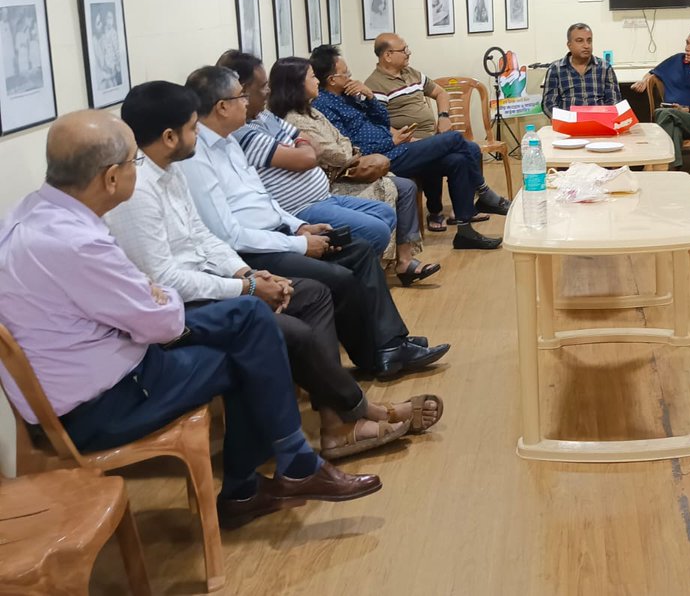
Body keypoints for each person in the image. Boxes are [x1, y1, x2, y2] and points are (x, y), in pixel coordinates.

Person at [0, 110, 380, 529]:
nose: (137, 170)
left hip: (88, 375)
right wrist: (154, 297)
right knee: (251, 347)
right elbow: (160, 324)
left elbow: (152, 293)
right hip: (104, 404)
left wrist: (163, 294)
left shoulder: (28, 216)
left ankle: (282, 471)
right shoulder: (79, 242)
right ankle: (266, 477)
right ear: (111, 178)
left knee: (251, 324)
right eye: (132, 162)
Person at [106, 82, 443, 459]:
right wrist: (247, 286)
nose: (195, 134)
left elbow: (202, 236)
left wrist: (242, 275)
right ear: (170, 136)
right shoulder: (137, 191)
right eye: (189, 128)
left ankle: (338, 421)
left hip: (220, 275)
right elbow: (168, 279)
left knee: (315, 293)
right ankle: (359, 411)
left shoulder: (171, 171)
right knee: (298, 324)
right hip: (180, 308)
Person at [178, 65, 450, 378]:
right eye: (240, 97)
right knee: (341, 277)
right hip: (254, 251)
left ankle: (390, 345)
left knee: (359, 251)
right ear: (221, 107)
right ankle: (376, 355)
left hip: (281, 232)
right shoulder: (197, 158)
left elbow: (262, 199)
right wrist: (299, 243)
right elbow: (229, 235)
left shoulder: (229, 142)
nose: (247, 102)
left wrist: (297, 226)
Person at [311, 45, 509, 250]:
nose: (351, 77)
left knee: (458, 160)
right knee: (455, 140)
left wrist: (369, 97)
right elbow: (352, 146)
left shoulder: (349, 94)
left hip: (396, 146)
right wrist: (392, 141)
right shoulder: (324, 107)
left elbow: (381, 119)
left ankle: (465, 232)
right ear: (332, 79)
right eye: (347, 74)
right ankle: (485, 194)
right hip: (385, 157)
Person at [271, 56, 438, 287]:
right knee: (440, 151)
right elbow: (336, 154)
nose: (316, 82)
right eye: (312, 78)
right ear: (297, 84)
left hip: (355, 165)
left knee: (409, 184)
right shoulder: (295, 119)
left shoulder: (314, 110)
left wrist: (368, 98)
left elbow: (344, 140)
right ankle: (371, 272)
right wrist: (350, 151)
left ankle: (403, 261)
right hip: (337, 180)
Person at [216, 50, 398, 257]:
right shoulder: (243, 131)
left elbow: (317, 147)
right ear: (244, 91)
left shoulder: (265, 116)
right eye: (263, 86)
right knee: (377, 230)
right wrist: (301, 145)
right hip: (300, 208)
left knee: (385, 213)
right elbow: (309, 157)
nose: (268, 91)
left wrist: (299, 144)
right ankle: (353, 267)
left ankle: (357, 264)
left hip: (323, 196)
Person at [630, 29, 690, 170]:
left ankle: (651, 167)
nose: (687, 48)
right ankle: (671, 169)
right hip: (671, 120)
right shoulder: (677, 60)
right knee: (672, 125)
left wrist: (685, 110)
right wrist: (644, 81)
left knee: (663, 113)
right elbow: (652, 73)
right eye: (687, 43)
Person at [539, 23, 621, 116]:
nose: (586, 45)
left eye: (589, 41)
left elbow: (614, 101)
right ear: (569, 45)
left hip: (599, 123)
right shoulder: (555, 69)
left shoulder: (605, 67)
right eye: (580, 41)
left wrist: (604, 119)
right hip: (568, 124)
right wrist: (564, 120)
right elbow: (548, 104)